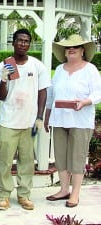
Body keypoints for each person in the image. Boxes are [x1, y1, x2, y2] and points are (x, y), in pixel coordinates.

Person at [0, 28, 51, 210]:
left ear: (30, 44)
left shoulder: (37, 66)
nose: (23, 44)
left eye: (26, 41)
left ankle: (24, 195)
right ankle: (3, 196)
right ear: (13, 42)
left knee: (27, 162)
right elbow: (1, 96)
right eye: (20, 40)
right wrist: (4, 79)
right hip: (8, 122)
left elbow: (43, 92)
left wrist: (40, 117)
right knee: (5, 162)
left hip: (29, 123)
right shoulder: (4, 65)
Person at [44, 34, 101, 207]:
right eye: (68, 47)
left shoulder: (90, 69)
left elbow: (98, 93)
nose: (71, 49)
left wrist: (85, 102)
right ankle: (63, 190)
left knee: (77, 157)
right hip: (59, 118)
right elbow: (51, 94)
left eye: (75, 47)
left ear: (83, 50)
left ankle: (75, 193)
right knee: (60, 156)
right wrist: (47, 116)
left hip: (80, 120)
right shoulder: (60, 69)